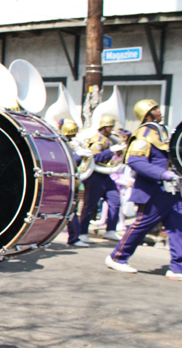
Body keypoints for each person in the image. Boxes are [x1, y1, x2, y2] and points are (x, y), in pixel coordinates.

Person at [106, 100, 182, 278]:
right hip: (153, 191)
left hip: (171, 189)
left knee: (178, 227)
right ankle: (117, 258)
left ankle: (177, 267)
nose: (158, 111)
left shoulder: (161, 132)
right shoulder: (144, 133)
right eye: (154, 109)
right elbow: (135, 161)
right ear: (146, 114)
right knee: (142, 225)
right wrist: (163, 174)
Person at [78, 115, 124, 243]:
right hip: (95, 176)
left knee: (115, 200)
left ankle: (110, 230)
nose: (111, 129)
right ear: (104, 127)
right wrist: (110, 151)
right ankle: (82, 232)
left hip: (106, 175)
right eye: (110, 127)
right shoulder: (97, 140)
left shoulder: (108, 139)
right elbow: (95, 158)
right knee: (89, 205)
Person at [60, 121, 90, 248]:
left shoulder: (71, 145)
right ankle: (74, 238)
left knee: (72, 210)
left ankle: (74, 237)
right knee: (71, 211)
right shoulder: (63, 145)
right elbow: (67, 162)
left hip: (74, 181)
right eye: (71, 135)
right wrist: (78, 155)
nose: (73, 138)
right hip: (66, 182)